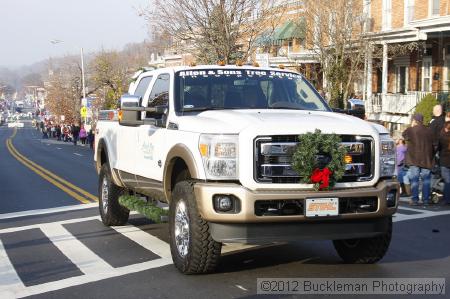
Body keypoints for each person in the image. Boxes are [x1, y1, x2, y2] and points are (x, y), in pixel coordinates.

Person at [402, 113, 435, 206]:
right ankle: (426, 200)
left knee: (415, 179)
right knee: (426, 180)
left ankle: (415, 200)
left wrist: (411, 126)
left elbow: (404, 135)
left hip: (414, 158)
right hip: (427, 158)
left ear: (414, 120)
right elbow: (435, 144)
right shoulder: (429, 130)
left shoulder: (411, 130)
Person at [438, 121, 450, 205]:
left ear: (445, 128)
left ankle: (447, 199)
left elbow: (438, 148)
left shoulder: (442, 136)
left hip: (444, 161)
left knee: (447, 181)